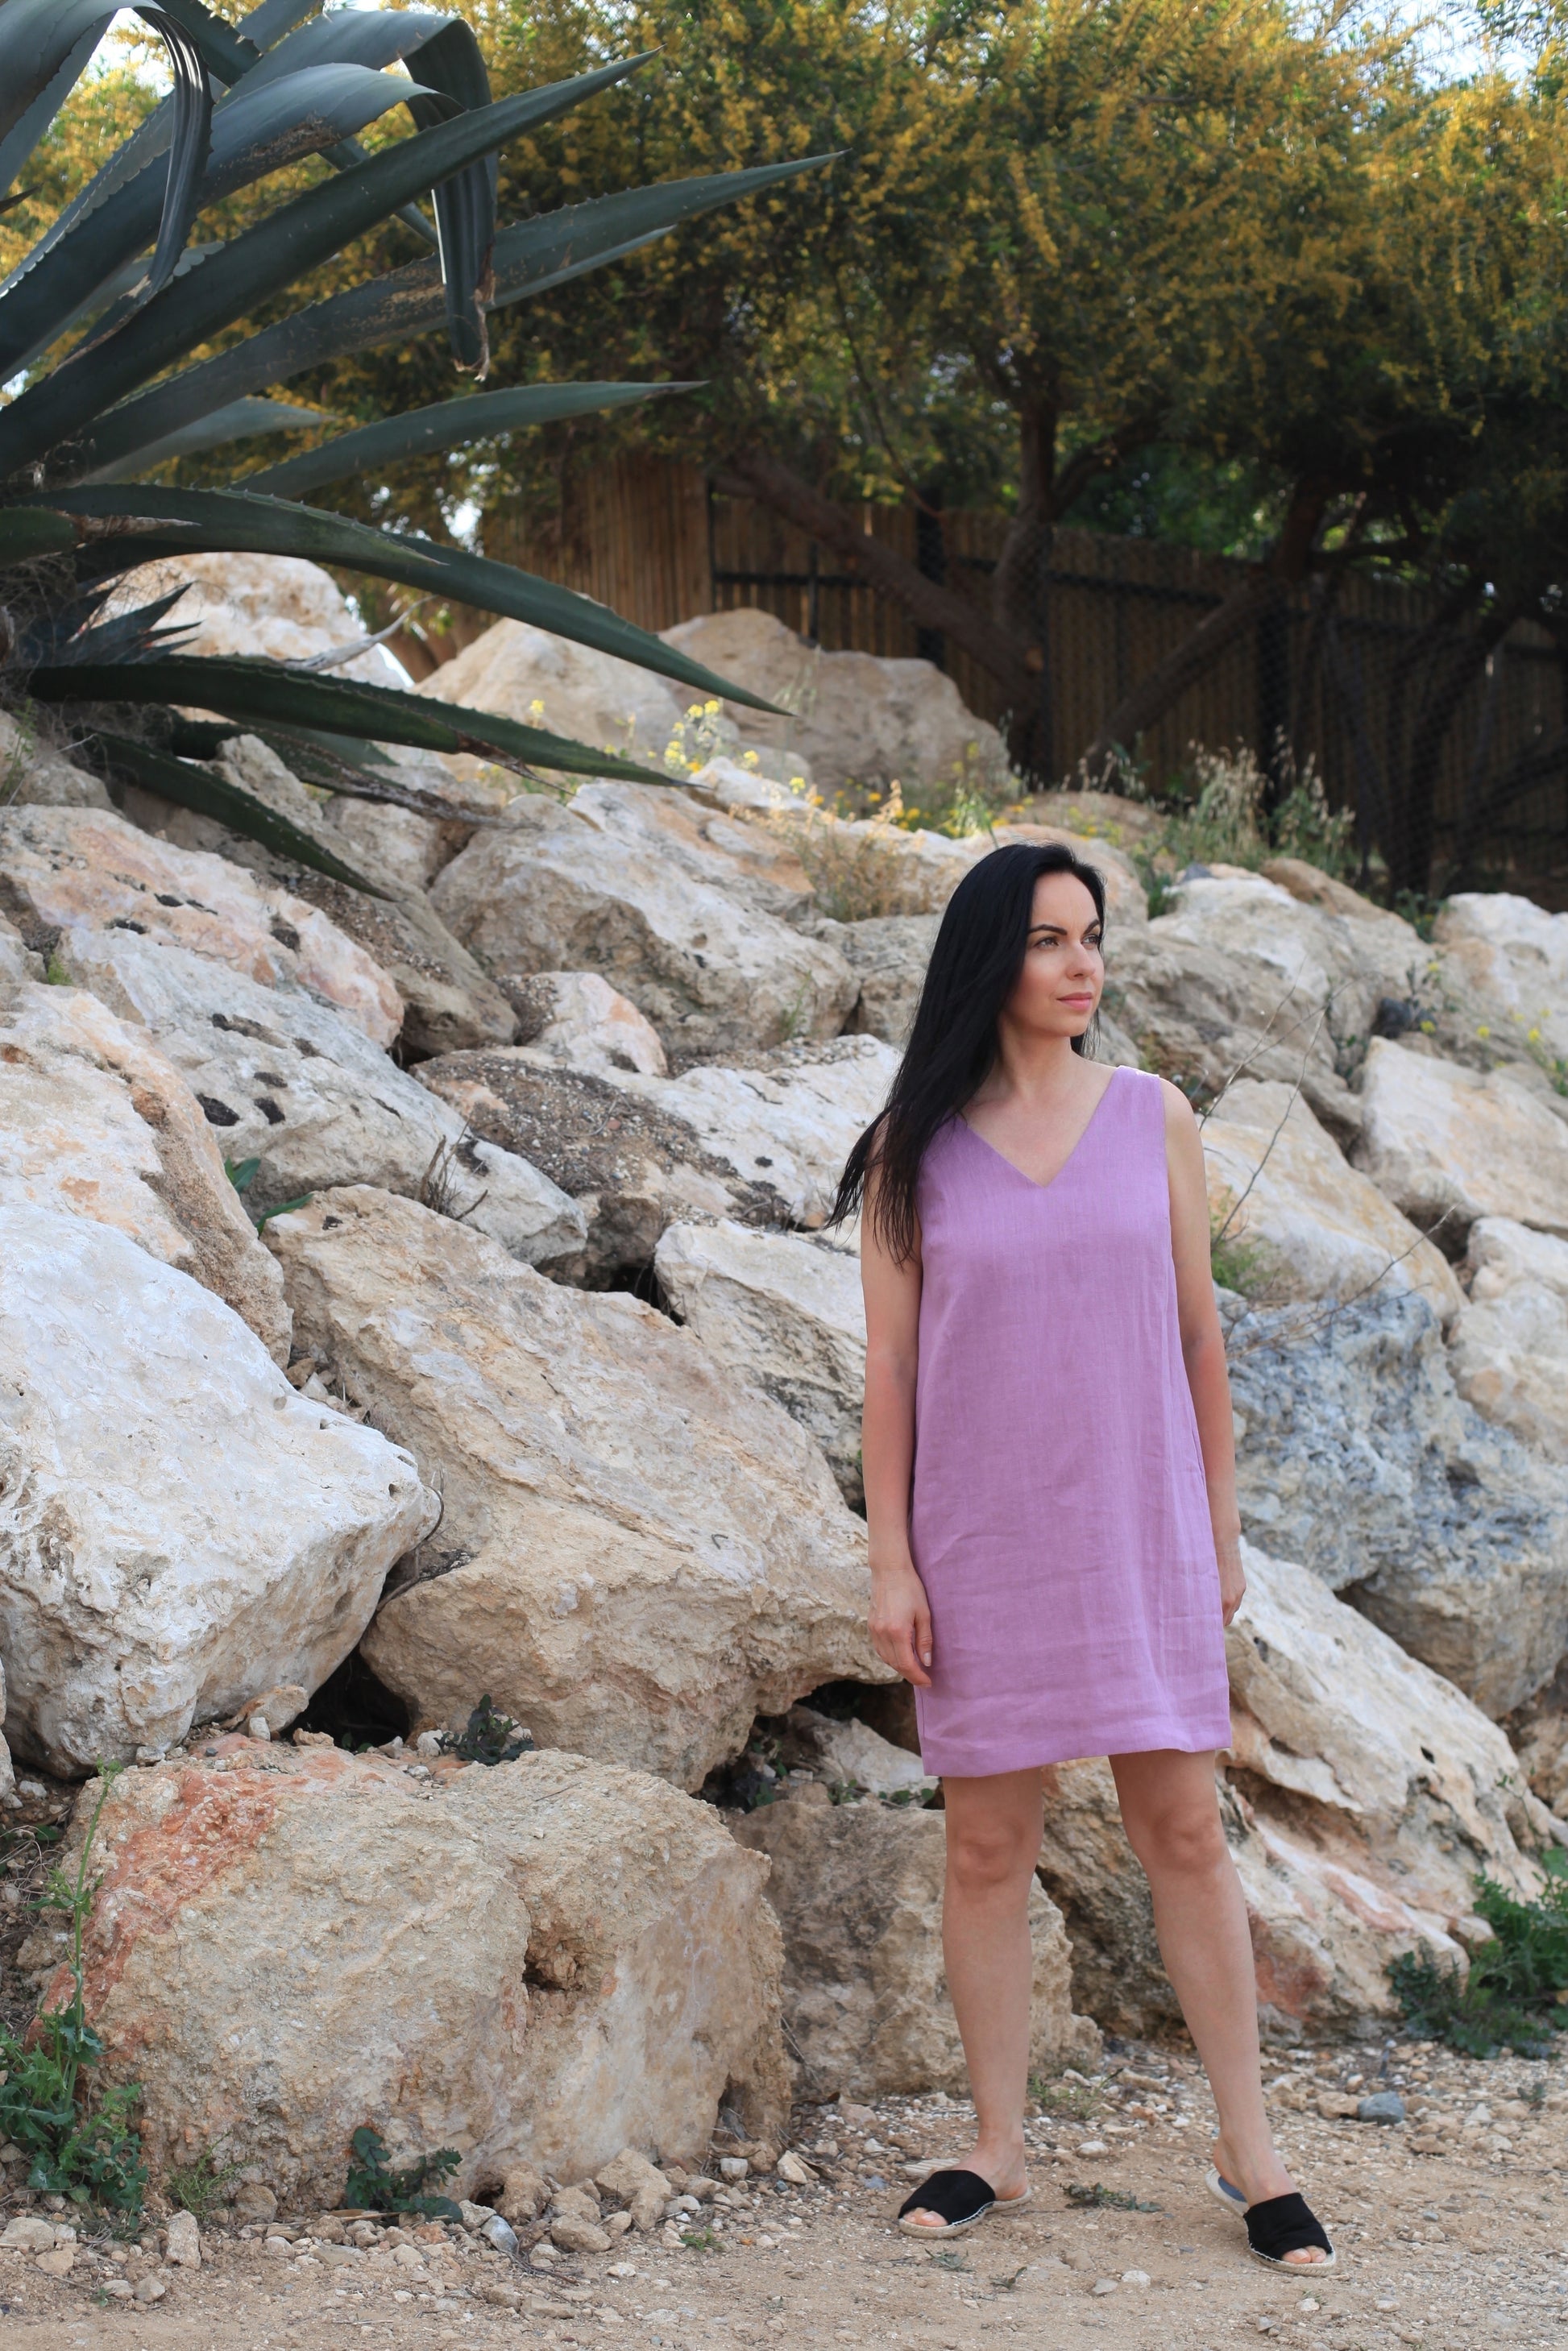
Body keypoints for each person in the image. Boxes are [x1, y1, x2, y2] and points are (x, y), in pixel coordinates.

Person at [829, 841, 1333, 2273]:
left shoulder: (1152, 1115)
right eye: (1050, 939)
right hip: (981, 1540)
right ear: (990, 957)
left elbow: (1195, 1335)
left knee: (1182, 1832)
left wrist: (1217, 1528)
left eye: (1092, 937)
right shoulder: (906, 1151)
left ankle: (1252, 2147)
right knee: (987, 1844)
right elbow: (891, 1373)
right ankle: (996, 2143)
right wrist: (892, 1563)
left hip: (1137, 1528)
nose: (1080, 963)